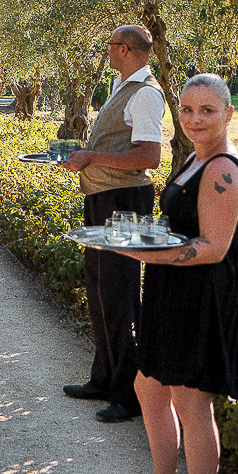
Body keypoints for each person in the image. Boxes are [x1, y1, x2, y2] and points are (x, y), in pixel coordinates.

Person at [98, 73, 238, 474]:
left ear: (228, 113)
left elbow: (211, 249)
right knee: (148, 384)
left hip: (200, 299)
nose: (195, 119)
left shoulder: (223, 171)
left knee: (192, 403)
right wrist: (141, 234)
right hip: (171, 293)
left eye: (208, 110)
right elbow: (182, 226)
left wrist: (140, 254)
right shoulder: (193, 160)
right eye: (187, 109)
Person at [61, 26, 166, 422]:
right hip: (103, 199)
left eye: (110, 46)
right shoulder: (124, 86)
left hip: (125, 204)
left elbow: (149, 157)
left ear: (123, 50)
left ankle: (128, 395)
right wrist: (85, 156)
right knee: (99, 285)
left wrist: (92, 157)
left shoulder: (146, 94)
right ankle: (103, 379)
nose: (107, 51)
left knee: (121, 294)